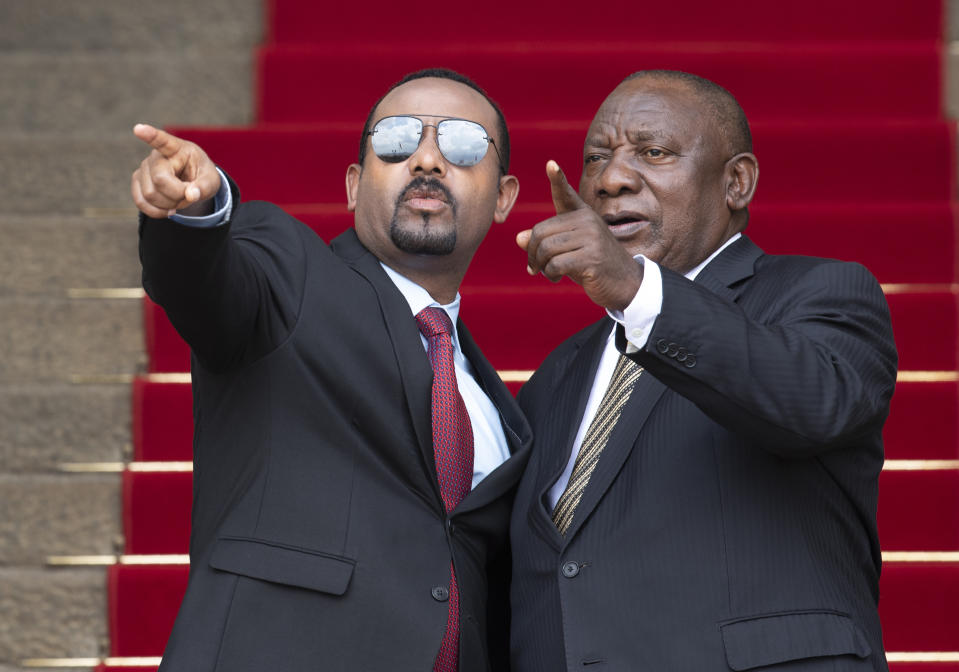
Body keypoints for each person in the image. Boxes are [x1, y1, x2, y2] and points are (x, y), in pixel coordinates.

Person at [130, 68, 530, 672]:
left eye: (463, 144)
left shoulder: (498, 408)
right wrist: (199, 210)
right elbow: (204, 280)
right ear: (352, 184)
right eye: (395, 140)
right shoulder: (287, 276)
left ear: (504, 197)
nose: (426, 159)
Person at [509, 70, 897, 671]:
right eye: (596, 158)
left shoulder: (821, 292)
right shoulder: (562, 370)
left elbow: (814, 403)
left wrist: (638, 292)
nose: (609, 179)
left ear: (736, 181)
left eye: (652, 152)